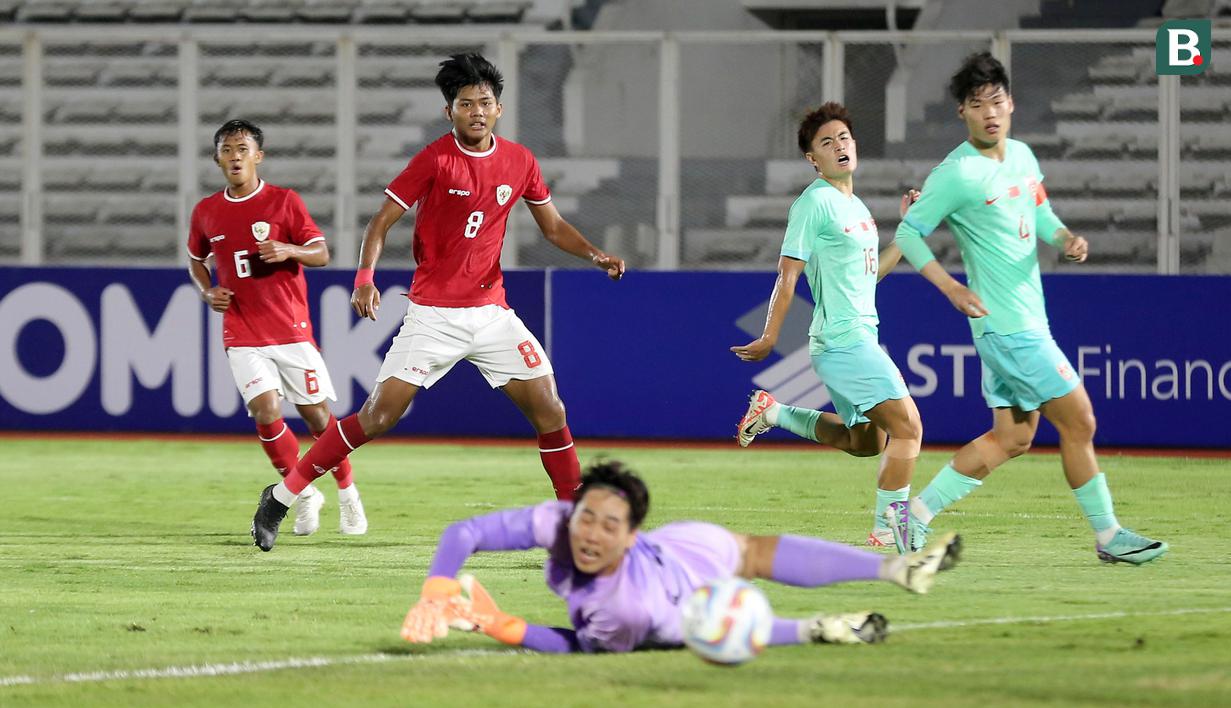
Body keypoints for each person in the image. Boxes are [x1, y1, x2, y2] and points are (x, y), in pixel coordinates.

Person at [251, 54, 625, 551]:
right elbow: (380, 222)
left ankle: (571, 520)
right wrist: (365, 278)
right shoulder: (434, 160)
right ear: (449, 112)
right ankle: (279, 496)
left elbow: (552, 227)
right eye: (465, 103)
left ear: (500, 109)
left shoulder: (520, 161)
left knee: (551, 411)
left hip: (492, 314)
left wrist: (596, 254)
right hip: (434, 316)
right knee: (378, 418)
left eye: (485, 102)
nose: (476, 110)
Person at [890, 52, 1166, 564]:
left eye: (996, 101)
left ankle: (914, 517)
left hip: (1024, 323)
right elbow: (909, 232)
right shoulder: (956, 173)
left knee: (1011, 437)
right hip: (1008, 329)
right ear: (963, 114)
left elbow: (1039, 211)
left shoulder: (1021, 156)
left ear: (1010, 103)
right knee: (1080, 421)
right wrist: (950, 288)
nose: (989, 112)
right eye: (977, 105)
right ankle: (1109, 537)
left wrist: (1065, 237)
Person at [399, 461, 962, 654]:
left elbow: (577, 647)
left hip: (677, 582)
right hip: (676, 561)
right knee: (750, 556)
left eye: (608, 525)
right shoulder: (560, 521)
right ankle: (836, 617)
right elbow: (464, 531)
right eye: (586, 518)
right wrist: (437, 586)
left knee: (717, 624)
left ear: (631, 534)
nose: (590, 534)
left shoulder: (623, 610)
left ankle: (874, 586)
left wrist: (500, 625)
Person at [731, 102, 924, 550]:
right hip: (844, 342)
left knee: (867, 442)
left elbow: (868, 276)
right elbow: (788, 273)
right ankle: (888, 530)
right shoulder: (814, 202)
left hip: (852, 339)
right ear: (811, 159)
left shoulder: (853, 206)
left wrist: (908, 231)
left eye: (844, 138)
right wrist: (771, 336)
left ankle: (774, 412)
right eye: (826, 142)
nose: (839, 146)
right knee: (909, 427)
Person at [188, 119, 367, 539]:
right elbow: (197, 260)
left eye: (243, 148)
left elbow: (321, 252)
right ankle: (301, 495)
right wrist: (206, 290)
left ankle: (348, 492)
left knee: (319, 419)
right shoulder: (206, 211)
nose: (235, 156)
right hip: (242, 331)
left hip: (291, 329)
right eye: (227, 149)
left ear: (258, 156)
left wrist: (288, 249)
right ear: (217, 158)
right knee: (265, 411)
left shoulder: (284, 202)